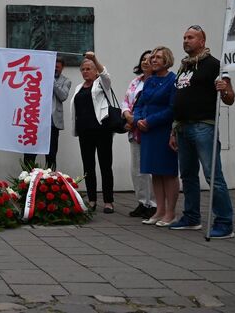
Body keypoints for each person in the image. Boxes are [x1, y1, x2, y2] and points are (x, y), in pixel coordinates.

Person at [169, 25, 235, 238]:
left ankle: (225, 222)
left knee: (212, 175)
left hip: (203, 126)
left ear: (202, 41)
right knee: (188, 175)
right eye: (184, 37)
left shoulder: (214, 65)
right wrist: (174, 129)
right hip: (183, 126)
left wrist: (225, 89)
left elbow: (230, 98)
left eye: (191, 37)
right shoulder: (185, 67)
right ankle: (191, 217)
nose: (186, 40)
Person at [134, 47, 179, 226]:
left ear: (166, 59)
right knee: (155, 172)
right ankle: (159, 210)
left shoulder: (172, 80)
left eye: (158, 57)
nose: (153, 60)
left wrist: (150, 121)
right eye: (152, 57)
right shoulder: (150, 80)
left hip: (163, 130)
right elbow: (140, 103)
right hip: (147, 132)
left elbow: (172, 108)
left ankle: (171, 212)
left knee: (167, 172)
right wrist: (138, 120)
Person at [70, 51, 115, 213]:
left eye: (89, 68)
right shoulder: (78, 87)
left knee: (105, 166)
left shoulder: (102, 84)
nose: (85, 72)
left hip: (102, 130)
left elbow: (106, 74)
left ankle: (108, 201)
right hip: (85, 132)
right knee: (88, 167)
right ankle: (92, 200)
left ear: (96, 71)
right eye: (83, 69)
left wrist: (94, 58)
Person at [121, 50, 157, 218]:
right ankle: (142, 201)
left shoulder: (158, 81)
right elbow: (126, 101)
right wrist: (127, 115)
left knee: (150, 168)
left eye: (150, 59)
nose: (145, 62)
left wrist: (139, 120)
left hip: (149, 129)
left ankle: (154, 204)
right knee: (136, 168)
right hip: (134, 130)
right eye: (143, 59)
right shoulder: (135, 81)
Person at [23, 56, 71, 170]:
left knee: (51, 155)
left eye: (57, 67)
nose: (55, 69)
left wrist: (52, 81)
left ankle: (50, 181)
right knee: (30, 154)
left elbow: (63, 96)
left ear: (62, 68)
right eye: (53, 66)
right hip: (36, 122)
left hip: (52, 124)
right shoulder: (39, 77)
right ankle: (27, 181)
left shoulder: (66, 81)